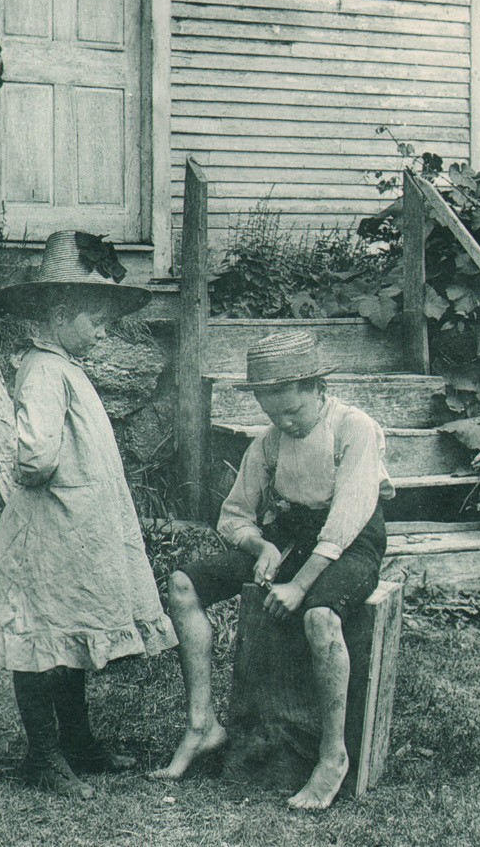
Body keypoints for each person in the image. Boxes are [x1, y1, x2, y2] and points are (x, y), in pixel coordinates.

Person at [0, 230, 177, 799]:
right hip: (49, 529)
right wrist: (65, 481)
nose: (103, 330)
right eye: (94, 319)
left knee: (67, 636)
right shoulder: (41, 370)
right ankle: (42, 754)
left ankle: (79, 741)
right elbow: (35, 458)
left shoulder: (64, 367)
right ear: (59, 313)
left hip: (73, 527)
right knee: (38, 640)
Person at [152, 330, 393, 810]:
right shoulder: (269, 443)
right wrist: (261, 545)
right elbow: (233, 514)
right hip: (291, 538)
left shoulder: (355, 428)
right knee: (183, 585)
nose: (285, 423)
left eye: (294, 412)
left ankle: (332, 756)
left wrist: (299, 585)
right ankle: (203, 726)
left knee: (319, 618)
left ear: (318, 390)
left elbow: (347, 517)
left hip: (352, 542)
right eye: (272, 413)